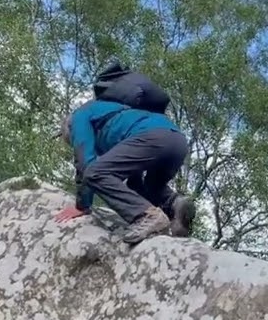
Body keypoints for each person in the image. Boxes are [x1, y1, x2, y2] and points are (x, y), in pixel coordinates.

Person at [55, 93, 195, 244]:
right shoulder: (114, 113)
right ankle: (175, 204)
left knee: (94, 173)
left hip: (151, 137)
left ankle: (147, 216)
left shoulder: (79, 117)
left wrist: (82, 205)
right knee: (146, 186)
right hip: (177, 140)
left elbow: (86, 163)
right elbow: (131, 177)